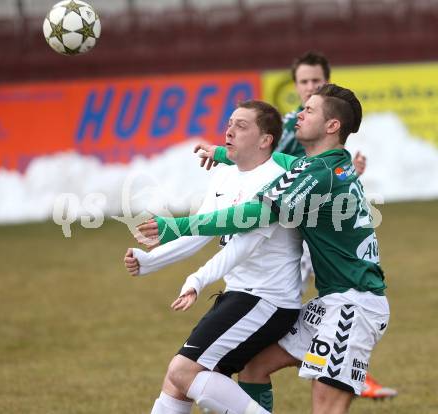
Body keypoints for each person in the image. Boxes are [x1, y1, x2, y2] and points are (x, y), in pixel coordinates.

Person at [136, 84, 391, 414]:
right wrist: (225, 153)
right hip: (331, 300)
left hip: (352, 306)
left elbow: (253, 216)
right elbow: (275, 160)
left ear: (332, 126)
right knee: (254, 366)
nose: (299, 113)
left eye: (310, 110)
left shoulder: (319, 172)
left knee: (326, 408)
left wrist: (177, 227)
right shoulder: (323, 165)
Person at [126, 100, 305, 414]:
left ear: (265, 140)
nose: (229, 130)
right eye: (230, 123)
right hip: (240, 295)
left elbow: (241, 248)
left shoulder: (276, 182)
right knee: (177, 382)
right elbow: (203, 230)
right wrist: (149, 261)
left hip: (268, 300)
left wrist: (197, 280)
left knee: (183, 371)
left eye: (242, 125)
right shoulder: (224, 176)